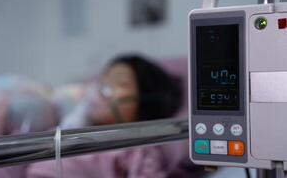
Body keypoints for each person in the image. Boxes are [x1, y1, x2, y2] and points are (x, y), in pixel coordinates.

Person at [26, 54, 203, 178]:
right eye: (104, 81)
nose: (102, 89)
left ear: (145, 101)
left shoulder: (137, 148)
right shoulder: (69, 129)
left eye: (120, 83)